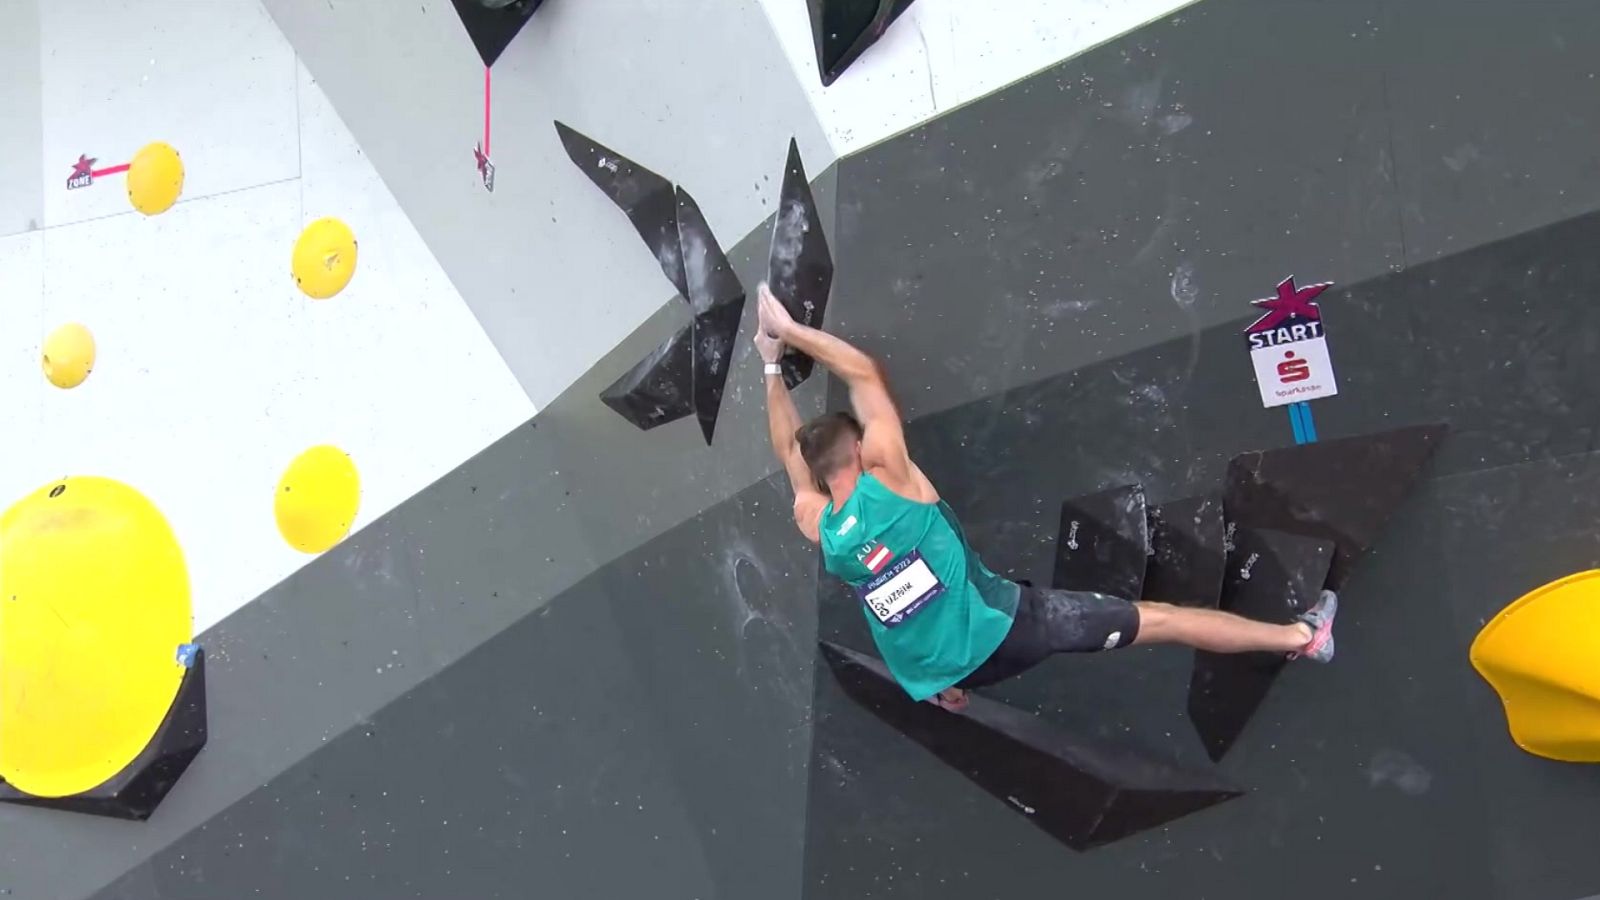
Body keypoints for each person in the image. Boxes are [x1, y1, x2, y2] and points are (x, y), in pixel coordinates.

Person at [753, 283, 1338, 712]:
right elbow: (862, 374)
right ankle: (1302, 637)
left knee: (955, 617)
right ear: (860, 450)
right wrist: (788, 332)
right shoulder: (890, 481)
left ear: (821, 472)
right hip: (1009, 630)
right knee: (1162, 620)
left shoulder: (824, 530)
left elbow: (788, 454)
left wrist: (771, 370)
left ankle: (947, 689)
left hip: (940, 676)